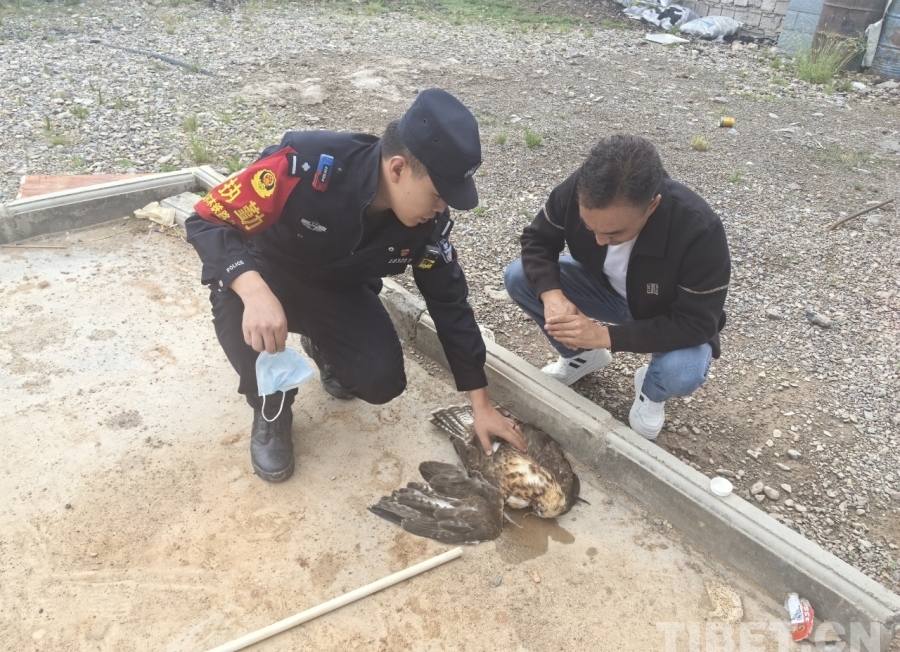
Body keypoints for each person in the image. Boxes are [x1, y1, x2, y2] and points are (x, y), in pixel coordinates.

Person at [185, 89, 524, 482]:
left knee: (381, 380)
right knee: (234, 300)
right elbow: (207, 219)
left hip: (337, 290)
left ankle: (320, 345)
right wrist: (253, 289)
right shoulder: (307, 163)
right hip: (268, 270)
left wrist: (481, 405)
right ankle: (270, 405)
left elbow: (450, 304)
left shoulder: (428, 226)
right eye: (437, 195)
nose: (441, 208)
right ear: (398, 169)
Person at [503, 135, 730, 440]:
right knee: (520, 276)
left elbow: (697, 324)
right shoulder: (580, 188)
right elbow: (537, 240)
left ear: (652, 206)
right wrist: (552, 294)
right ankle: (582, 355)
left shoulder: (699, 229)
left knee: (684, 371)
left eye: (614, 234)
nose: (599, 241)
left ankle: (653, 388)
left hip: (665, 312)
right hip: (604, 291)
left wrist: (604, 336)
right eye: (589, 227)